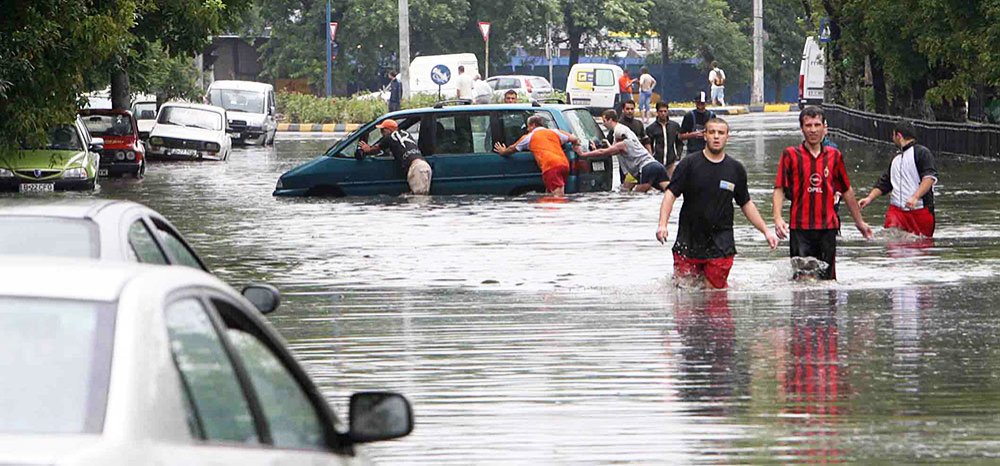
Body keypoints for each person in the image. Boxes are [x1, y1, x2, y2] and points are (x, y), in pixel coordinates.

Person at [655, 118, 778, 289]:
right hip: (688, 239)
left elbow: (746, 203)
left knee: (715, 297)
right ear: (704, 136)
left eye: (721, 133)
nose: (716, 137)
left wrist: (766, 231)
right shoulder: (688, 164)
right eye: (712, 132)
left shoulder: (735, 169)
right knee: (685, 299)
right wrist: (662, 225)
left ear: (728, 136)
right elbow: (670, 194)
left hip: (721, 243)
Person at [772, 106, 873, 281]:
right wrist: (777, 217)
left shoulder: (834, 156)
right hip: (800, 228)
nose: (813, 130)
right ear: (801, 128)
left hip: (827, 228)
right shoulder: (790, 155)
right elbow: (779, 187)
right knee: (802, 279)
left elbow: (846, 190)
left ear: (824, 127)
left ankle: (827, 309)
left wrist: (859, 222)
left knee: (827, 280)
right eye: (808, 125)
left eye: (817, 125)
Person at [858, 120, 938, 237]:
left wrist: (915, 197)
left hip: (920, 210)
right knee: (892, 246)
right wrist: (869, 198)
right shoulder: (895, 159)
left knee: (920, 246)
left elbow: (929, 178)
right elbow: (884, 183)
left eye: (893, 135)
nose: (892, 138)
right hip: (896, 211)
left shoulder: (922, 153)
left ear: (899, 136)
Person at [577, 110, 670, 193]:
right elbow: (613, 151)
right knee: (669, 191)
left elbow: (604, 152)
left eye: (604, 121)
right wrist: (597, 149)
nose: (603, 124)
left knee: (638, 195)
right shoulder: (629, 140)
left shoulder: (623, 143)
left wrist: (583, 154)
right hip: (655, 165)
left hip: (646, 168)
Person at [494, 115, 581, 196]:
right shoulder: (555, 132)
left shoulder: (529, 137)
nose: (527, 129)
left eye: (528, 126)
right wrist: (576, 145)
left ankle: (559, 212)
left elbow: (512, 149)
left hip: (551, 166)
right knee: (550, 192)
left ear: (533, 125)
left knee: (558, 196)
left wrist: (503, 151)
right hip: (564, 164)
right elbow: (575, 139)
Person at [358, 119, 433, 195]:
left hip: (416, 169)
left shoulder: (389, 137)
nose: (382, 133)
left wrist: (367, 149)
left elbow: (374, 150)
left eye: (382, 130)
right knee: (419, 197)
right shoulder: (406, 133)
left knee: (419, 200)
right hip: (424, 165)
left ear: (388, 130)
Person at [645, 102, 684, 177]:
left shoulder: (674, 126)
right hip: (657, 162)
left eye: (665, 111)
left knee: (671, 184)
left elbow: (679, 142)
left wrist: (678, 154)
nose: (663, 113)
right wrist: (651, 156)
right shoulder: (651, 128)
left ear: (667, 111)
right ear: (657, 112)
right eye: (661, 111)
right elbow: (648, 144)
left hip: (671, 162)